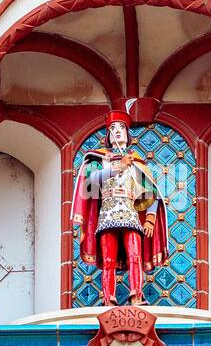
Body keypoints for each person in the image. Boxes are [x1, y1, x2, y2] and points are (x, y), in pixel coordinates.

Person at [72, 111, 169, 306]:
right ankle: (108, 298)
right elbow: (89, 186)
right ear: (107, 136)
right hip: (107, 216)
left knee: (135, 255)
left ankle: (136, 296)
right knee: (108, 259)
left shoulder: (136, 162)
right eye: (113, 129)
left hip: (131, 216)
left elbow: (153, 191)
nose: (117, 132)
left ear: (127, 134)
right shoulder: (97, 160)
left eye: (121, 128)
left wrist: (149, 218)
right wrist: (117, 168)